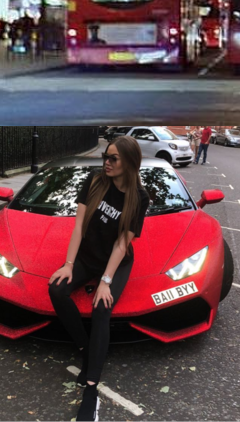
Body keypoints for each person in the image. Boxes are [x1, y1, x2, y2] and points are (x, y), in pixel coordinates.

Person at [49, 135, 150, 422]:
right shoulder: (95, 181)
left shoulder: (139, 197)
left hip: (115, 262)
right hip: (86, 256)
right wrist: (69, 264)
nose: (106, 161)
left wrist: (105, 280)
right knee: (56, 289)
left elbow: (122, 244)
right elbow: (79, 225)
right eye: (106, 156)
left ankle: (91, 386)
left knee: (101, 308)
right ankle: (85, 348)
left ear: (129, 162)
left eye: (113, 158)